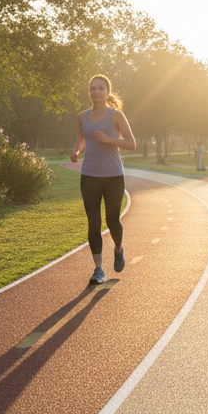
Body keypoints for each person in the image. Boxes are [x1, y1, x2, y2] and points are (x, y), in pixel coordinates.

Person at [71, 75, 136, 285]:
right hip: (89, 175)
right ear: (89, 92)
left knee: (112, 220)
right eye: (93, 88)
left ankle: (118, 248)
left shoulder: (116, 116)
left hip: (113, 176)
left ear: (108, 92)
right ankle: (98, 269)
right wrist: (76, 151)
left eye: (100, 88)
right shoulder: (82, 116)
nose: (96, 92)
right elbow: (82, 136)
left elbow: (131, 143)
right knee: (93, 223)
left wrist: (109, 140)